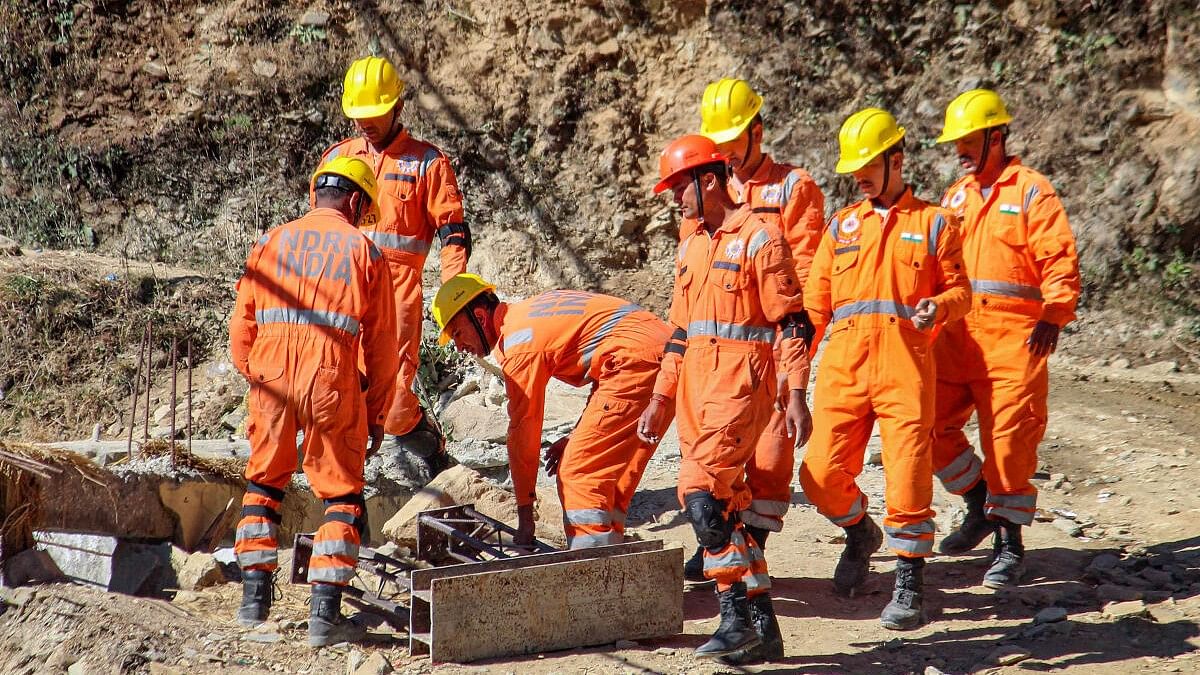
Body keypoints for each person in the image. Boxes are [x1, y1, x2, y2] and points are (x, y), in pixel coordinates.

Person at [639, 134, 814, 661]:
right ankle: (765, 629)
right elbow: (678, 331)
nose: (675, 199)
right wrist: (661, 398)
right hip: (697, 395)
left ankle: (734, 615)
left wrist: (797, 392)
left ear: (708, 181)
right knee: (728, 507)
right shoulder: (691, 244)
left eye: (678, 188)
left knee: (698, 491)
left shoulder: (762, 238)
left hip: (742, 390)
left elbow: (793, 324)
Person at [799, 108, 971, 630]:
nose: (859, 177)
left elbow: (962, 292)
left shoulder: (936, 221)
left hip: (905, 364)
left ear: (897, 159)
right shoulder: (841, 226)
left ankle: (909, 579)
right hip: (844, 366)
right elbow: (813, 309)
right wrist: (791, 376)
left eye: (868, 164)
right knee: (820, 475)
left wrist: (938, 308)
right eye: (854, 169)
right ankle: (859, 531)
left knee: (908, 474)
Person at [229, 157, 400, 647]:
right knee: (342, 496)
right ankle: (324, 616)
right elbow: (383, 347)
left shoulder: (270, 241)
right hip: (332, 375)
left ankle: (253, 603)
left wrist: (259, 375)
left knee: (264, 483)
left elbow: (241, 327)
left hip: (272, 373)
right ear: (354, 201)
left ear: (316, 193)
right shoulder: (364, 251)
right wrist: (377, 413)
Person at [678, 78, 827, 584]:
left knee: (769, 453)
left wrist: (794, 364)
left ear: (756, 132)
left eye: (732, 139)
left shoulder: (793, 187)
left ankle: (748, 549)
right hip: (716, 354)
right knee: (715, 451)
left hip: (772, 345)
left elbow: (803, 281)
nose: (723, 151)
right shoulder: (704, 186)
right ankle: (725, 536)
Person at [930, 89, 1081, 588]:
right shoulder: (955, 195)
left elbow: (1058, 257)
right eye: (958, 142)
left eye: (969, 140)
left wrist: (1054, 315)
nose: (961, 150)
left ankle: (1009, 541)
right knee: (925, 426)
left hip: (1016, 337)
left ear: (997, 137)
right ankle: (978, 502)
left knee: (1009, 439)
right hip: (955, 334)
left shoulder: (1032, 191)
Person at [431, 275, 673, 549]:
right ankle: (614, 557)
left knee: (578, 474)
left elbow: (524, 429)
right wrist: (574, 436)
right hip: (668, 357)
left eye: (458, 334)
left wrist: (525, 514)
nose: (460, 347)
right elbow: (610, 364)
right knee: (611, 477)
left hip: (636, 364)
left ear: (480, 316)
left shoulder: (519, 343)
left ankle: (591, 572)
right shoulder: (530, 313)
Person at [318, 55, 469, 479]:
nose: (364, 123)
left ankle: (427, 444)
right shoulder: (337, 158)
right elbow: (317, 227)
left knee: (394, 391)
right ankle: (345, 473)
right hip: (341, 288)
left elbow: (453, 232)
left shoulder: (427, 162)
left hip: (398, 294)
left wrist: (453, 293)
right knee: (337, 376)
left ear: (397, 107)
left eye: (374, 114)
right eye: (357, 115)